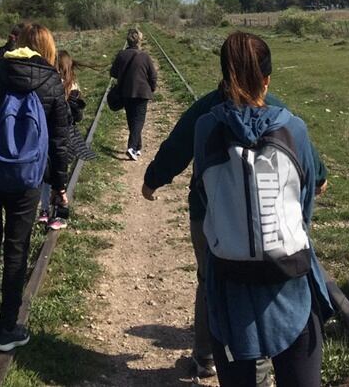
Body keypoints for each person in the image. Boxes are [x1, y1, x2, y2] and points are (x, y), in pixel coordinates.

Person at [142, 47, 328, 383]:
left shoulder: (205, 114)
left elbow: (176, 148)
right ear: (266, 80)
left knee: (212, 280)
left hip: (209, 219)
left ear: (225, 75)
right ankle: (271, 351)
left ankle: (205, 356)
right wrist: (320, 180)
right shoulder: (284, 115)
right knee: (272, 283)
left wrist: (152, 180)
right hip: (274, 232)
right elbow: (312, 168)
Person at [192, 32, 333, 387]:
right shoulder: (293, 129)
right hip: (289, 279)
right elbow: (304, 207)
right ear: (267, 81)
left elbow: (205, 197)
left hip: (229, 279)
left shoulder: (206, 128)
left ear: (224, 78)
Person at [0, 23, 70, 351]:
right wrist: (59, 185)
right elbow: (60, 140)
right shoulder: (51, 79)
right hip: (28, 178)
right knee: (16, 248)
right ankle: (7, 329)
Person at [38, 50, 87, 230]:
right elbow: (78, 117)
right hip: (66, 139)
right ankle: (59, 215)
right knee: (61, 177)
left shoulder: (47, 85)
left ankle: (43, 211)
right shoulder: (72, 87)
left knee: (46, 177)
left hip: (47, 138)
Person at [110, 28, 157, 161]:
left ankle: (138, 147)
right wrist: (152, 88)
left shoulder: (121, 55)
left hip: (126, 92)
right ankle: (131, 147)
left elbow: (113, 73)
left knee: (132, 119)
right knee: (139, 120)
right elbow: (153, 75)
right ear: (139, 41)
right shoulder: (145, 56)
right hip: (142, 93)